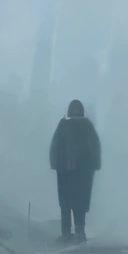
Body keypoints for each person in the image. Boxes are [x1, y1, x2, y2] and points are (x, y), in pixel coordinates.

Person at [49, 97, 102, 241]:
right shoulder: (64, 124)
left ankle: (79, 231)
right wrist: (57, 163)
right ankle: (66, 232)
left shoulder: (86, 126)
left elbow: (93, 148)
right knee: (66, 205)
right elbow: (56, 146)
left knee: (79, 204)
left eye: (76, 109)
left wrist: (91, 164)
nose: (74, 111)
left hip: (81, 173)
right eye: (73, 108)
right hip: (66, 172)